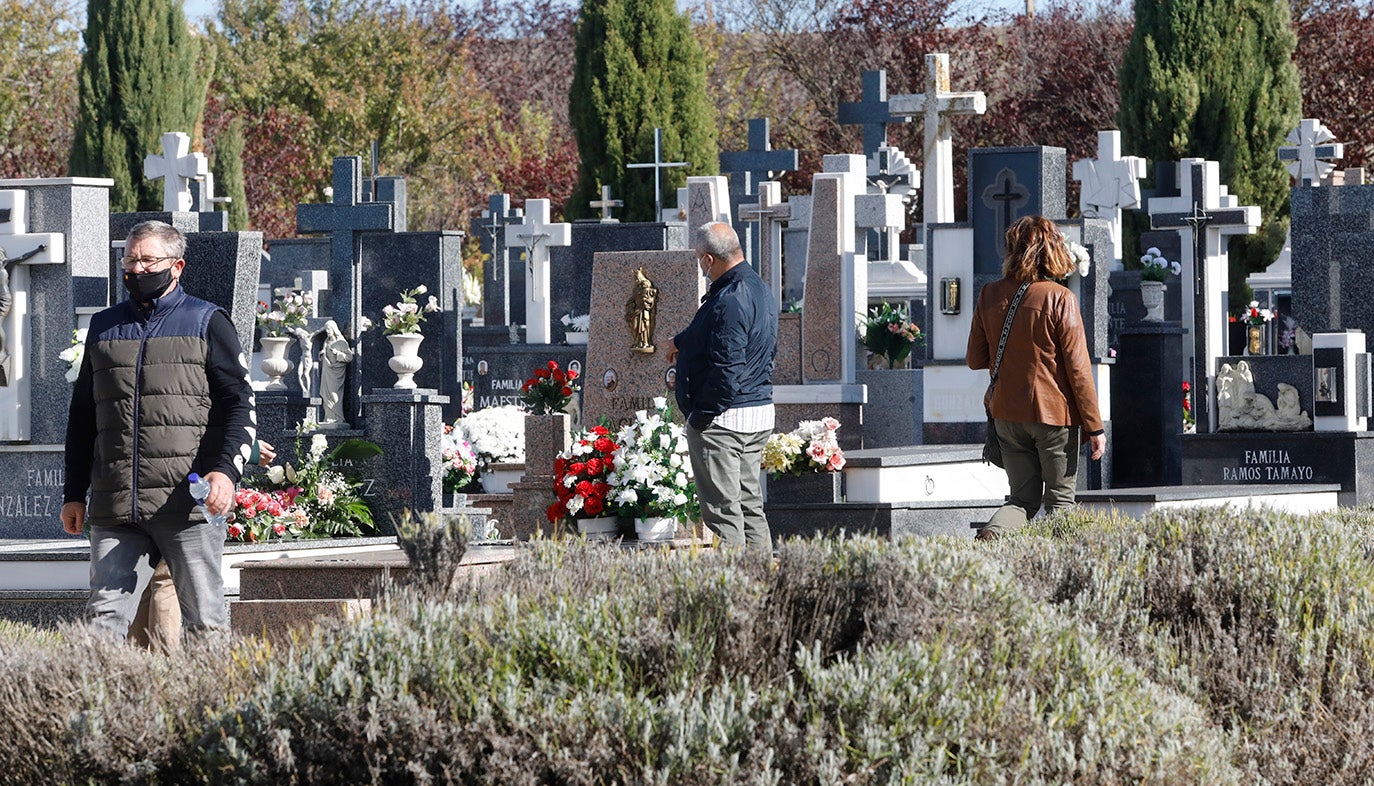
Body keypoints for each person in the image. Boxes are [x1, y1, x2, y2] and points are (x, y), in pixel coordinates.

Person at [60, 220, 256, 641]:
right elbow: (83, 416)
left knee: (204, 620)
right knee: (102, 624)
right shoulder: (104, 326)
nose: (137, 268)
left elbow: (239, 404)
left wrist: (225, 471)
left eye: (149, 259)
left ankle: (211, 706)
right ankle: (95, 707)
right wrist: (74, 492)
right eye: (130, 259)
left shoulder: (208, 322)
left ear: (177, 265)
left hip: (184, 504)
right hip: (117, 507)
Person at [966, 215, 1105, 540]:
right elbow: (1078, 370)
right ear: (1053, 251)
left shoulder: (988, 294)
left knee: (1021, 500)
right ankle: (1059, 569)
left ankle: (995, 535)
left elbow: (975, 359)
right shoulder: (1060, 299)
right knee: (1060, 502)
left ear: (1013, 251)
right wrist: (1095, 426)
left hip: (1007, 417)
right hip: (1054, 418)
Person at [666, 222, 779, 552]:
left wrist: (701, 417)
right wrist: (679, 341)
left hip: (725, 421)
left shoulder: (728, 300)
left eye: (700, 260)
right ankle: (761, 585)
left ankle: (731, 593)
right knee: (749, 507)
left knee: (723, 514)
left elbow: (726, 369)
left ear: (707, 261)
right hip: (756, 412)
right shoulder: (757, 288)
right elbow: (719, 333)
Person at [127, 440, 275, 653]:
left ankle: (135, 665)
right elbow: (196, 430)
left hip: (140, 495)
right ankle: (165, 666)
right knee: (166, 582)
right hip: (179, 497)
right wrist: (248, 450)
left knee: (145, 585)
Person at [318, 319, 352, 425]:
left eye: (329, 329)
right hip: (327, 371)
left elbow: (349, 357)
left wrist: (337, 353)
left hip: (337, 372)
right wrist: (322, 354)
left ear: (334, 329)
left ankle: (338, 418)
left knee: (334, 394)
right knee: (326, 395)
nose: (327, 332)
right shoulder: (326, 342)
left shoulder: (341, 342)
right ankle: (328, 417)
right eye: (326, 330)